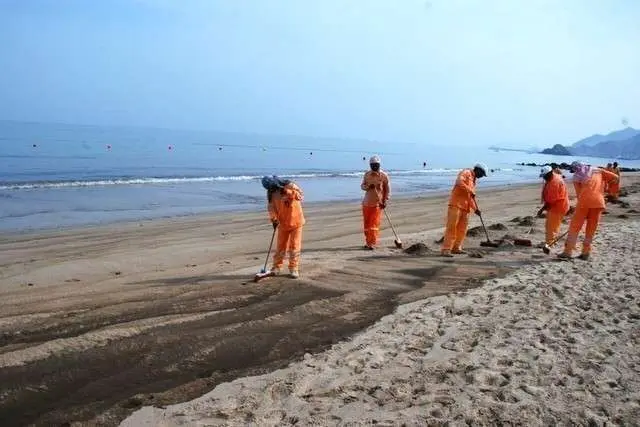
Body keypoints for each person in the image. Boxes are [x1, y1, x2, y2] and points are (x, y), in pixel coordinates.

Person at [558, 163, 618, 260]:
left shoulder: (576, 177)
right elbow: (615, 178)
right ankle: (586, 253)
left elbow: (579, 194)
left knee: (575, 227)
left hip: (584, 203)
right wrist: (607, 190)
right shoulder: (598, 170)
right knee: (591, 228)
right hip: (598, 202)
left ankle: (568, 251)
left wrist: (584, 207)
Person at [261, 175, 306, 278]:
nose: (272, 189)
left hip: (296, 221)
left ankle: (293, 268)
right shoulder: (271, 193)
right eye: (269, 188)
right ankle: (277, 267)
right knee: (280, 247)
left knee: (294, 246)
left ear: (275, 182)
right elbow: (271, 207)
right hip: (282, 223)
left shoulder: (290, 185)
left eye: (272, 187)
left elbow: (300, 196)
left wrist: (288, 192)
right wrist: (274, 219)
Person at [441, 163, 488, 257]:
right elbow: (459, 182)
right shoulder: (466, 172)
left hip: (465, 208)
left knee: (462, 230)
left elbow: (470, 198)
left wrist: (475, 209)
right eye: (482, 174)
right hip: (456, 205)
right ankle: (446, 249)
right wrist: (470, 190)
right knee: (452, 227)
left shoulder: (474, 181)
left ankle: (456, 248)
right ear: (478, 170)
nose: (481, 177)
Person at [537, 166, 570, 251]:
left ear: (550, 173)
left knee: (550, 226)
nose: (544, 177)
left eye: (545, 176)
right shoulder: (555, 176)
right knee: (555, 225)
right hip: (562, 205)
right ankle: (552, 241)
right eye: (543, 176)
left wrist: (541, 209)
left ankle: (549, 244)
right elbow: (559, 172)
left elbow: (551, 201)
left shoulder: (554, 183)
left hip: (557, 207)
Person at [361, 155, 390, 250]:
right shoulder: (367, 175)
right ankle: (368, 241)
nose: (374, 167)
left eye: (376, 165)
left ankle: (372, 243)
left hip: (377, 204)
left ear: (379, 165)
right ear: (370, 165)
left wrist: (385, 201)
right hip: (366, 203)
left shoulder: (384, 176)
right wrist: (368, 187)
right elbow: (362, 186)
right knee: (367, 224)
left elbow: (387, 189)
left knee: (374, 225)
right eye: (372, 165)